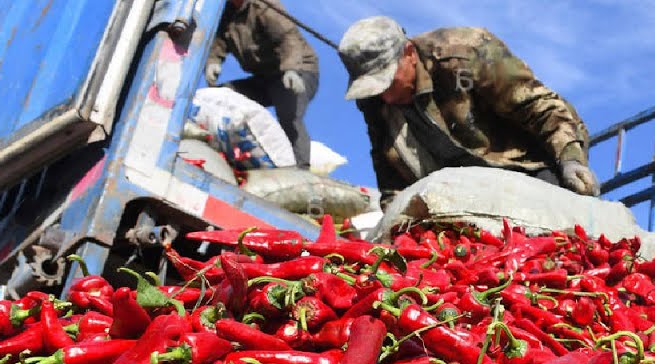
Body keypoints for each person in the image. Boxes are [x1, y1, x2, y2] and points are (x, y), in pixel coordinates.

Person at [338, 16, 600, 210]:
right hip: (463, 189)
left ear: (408, 54)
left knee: (552, 232)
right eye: (376, 88)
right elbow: (388, 166)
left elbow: (538, 106)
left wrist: (570, 158)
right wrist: (395, 216)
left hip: (527, 162)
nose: (385, 96)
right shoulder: (375, 101)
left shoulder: (463, 54)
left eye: (388, 81)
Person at [205, 0, 318, 168]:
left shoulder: (263, 7)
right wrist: (213, 61)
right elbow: (219, 42)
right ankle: (218, 146)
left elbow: (288, 37)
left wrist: (291, 69)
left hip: (298, 70)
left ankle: (301, 169)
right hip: (265, 78)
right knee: (223, 95)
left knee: (289, 116)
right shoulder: (227, 13)